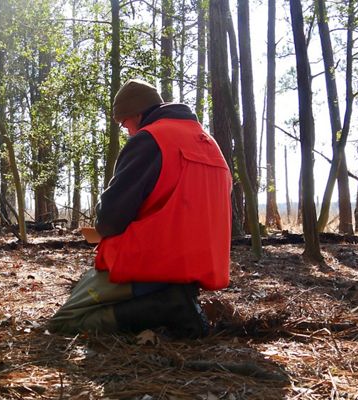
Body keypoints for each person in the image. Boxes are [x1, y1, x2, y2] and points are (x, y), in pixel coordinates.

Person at [49, 79, 232, 338]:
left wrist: (102, 218)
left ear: (137, 114)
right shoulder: (209, 143)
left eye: (125, 124)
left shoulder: (151, 139)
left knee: (65, 321)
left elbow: (110, 220)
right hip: (200, 266)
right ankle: (171, 302)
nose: (128, 132)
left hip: (154, 262)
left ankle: (168, 307)